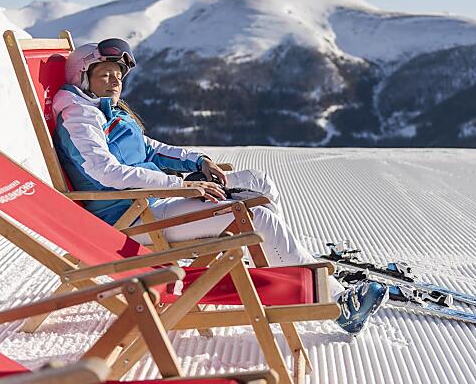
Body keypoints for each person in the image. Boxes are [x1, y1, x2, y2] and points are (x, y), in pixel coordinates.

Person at [52, 38, 388, 334]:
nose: (116, 81)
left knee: (257, 181)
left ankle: (280, 261)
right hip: (132, 218)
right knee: (256, 218)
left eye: (118, 75)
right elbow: (106, 173)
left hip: (153, 200)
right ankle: (337, 304)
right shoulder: (79, 118)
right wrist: (180, 186)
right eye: (106, 74)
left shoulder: (106, 110)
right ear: (83, 77)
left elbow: (149, 149)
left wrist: (197, 162)